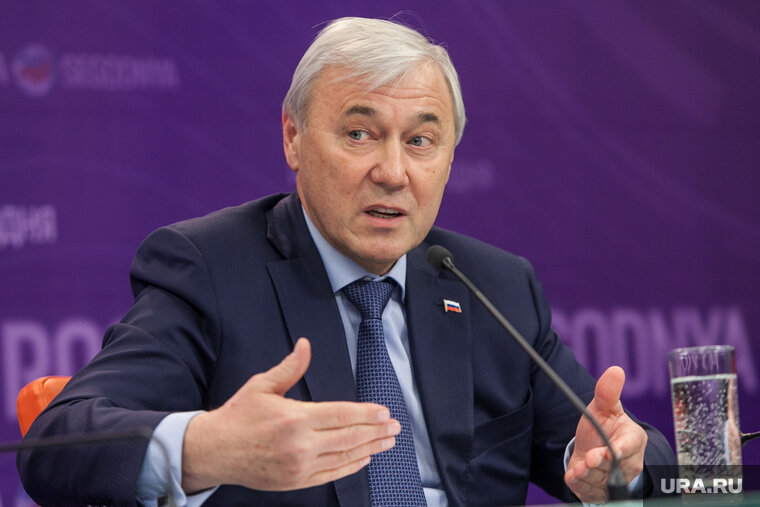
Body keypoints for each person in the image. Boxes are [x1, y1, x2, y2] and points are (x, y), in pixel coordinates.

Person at [18, 17, 675, 506]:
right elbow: (57, 444)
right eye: (360, 133)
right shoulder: (209, 269)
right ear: (293, 137)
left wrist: (621, 467)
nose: (392, 171)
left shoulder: (495, 285)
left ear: (449, 158)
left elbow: (618, 451)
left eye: (421, 140)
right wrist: (208, 446)